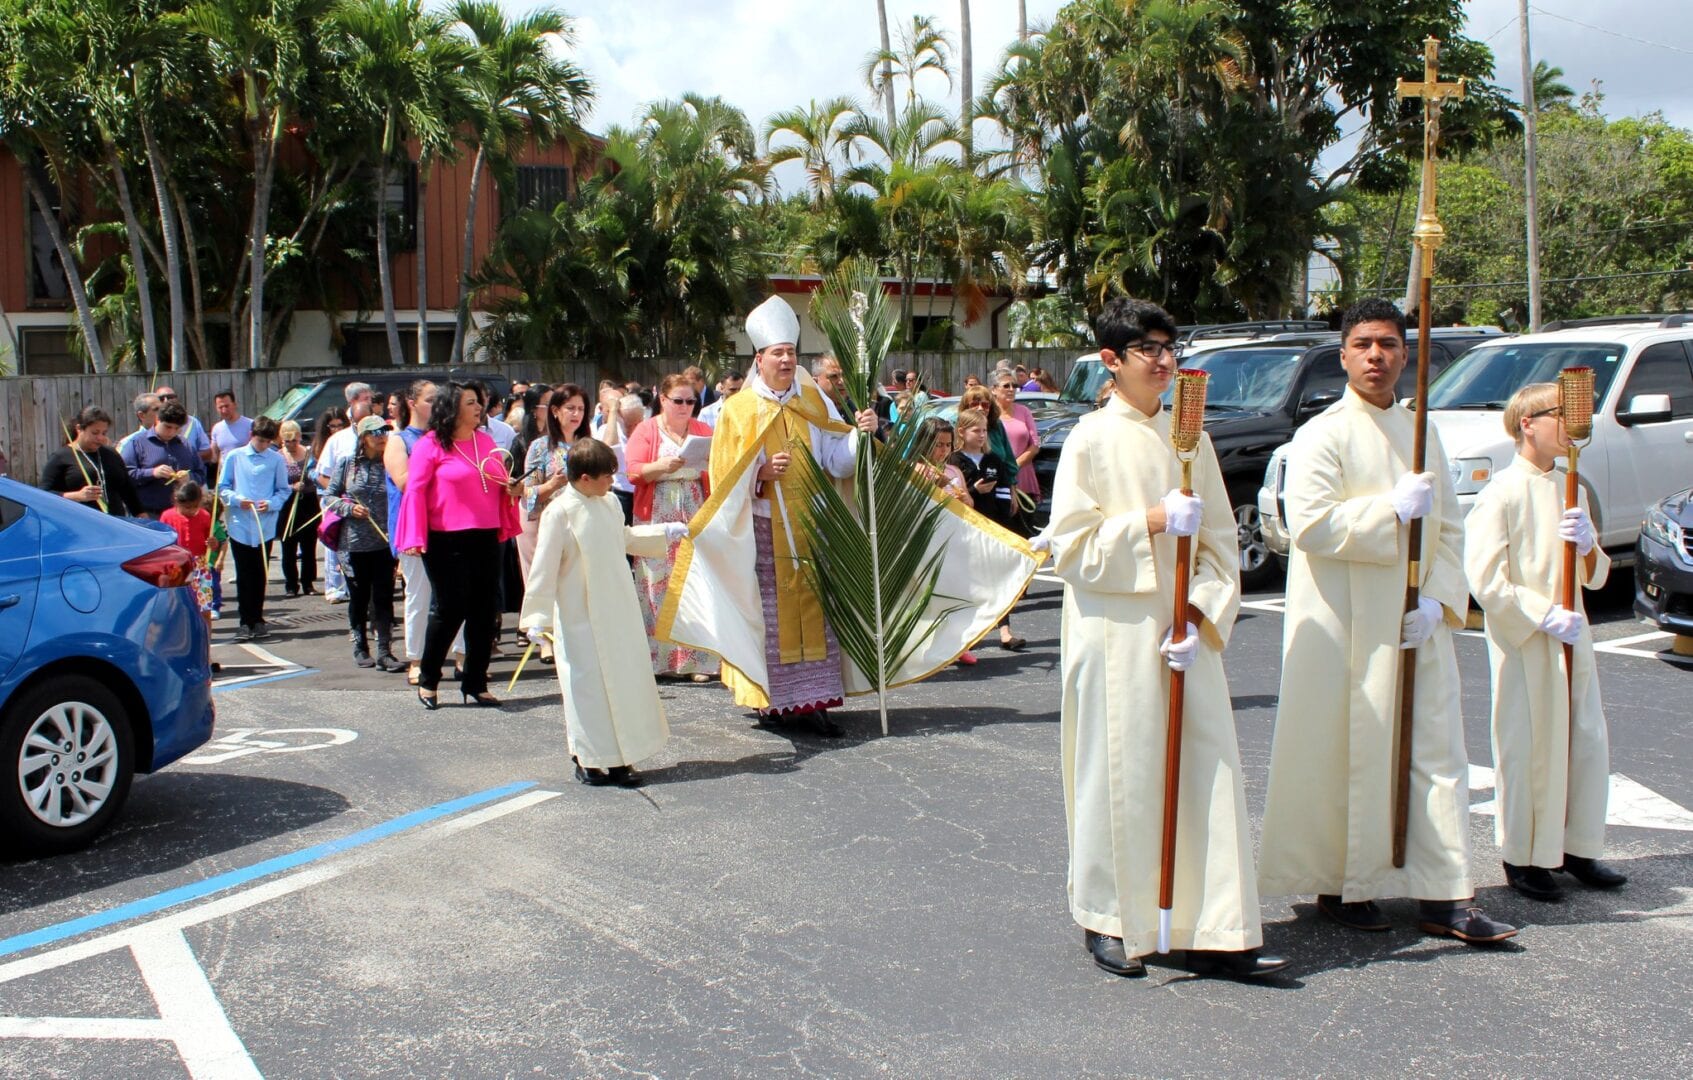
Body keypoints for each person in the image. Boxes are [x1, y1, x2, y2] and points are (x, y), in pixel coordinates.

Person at [1257, 297, 1517, 945]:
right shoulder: (1320, 435)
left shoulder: (1421, 429)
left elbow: (1451, 526)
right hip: (1346, 627)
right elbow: (1310, 526)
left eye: (1389, 345)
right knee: (1346, 755)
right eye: (1363, 345)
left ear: (1406, 354)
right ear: (1342, 355)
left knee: (1433, 753)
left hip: (1413, 622)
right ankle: (1342, 882)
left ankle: (1443, 895)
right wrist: (1387, 510)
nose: (1376, 356)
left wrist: (1437, 598)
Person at [1049, 296, 1285, 980]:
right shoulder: (1090, 439)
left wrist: (1201, 614)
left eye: (1166, 348)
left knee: (1202, 770)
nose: (1160, 361)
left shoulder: (1192, 438)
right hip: (1115, 634)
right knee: (1117, 774)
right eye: (1145, 350)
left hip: (1181, 635)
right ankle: (1108, 916)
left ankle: (1211, 925)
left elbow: (1218, 545)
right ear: (1110, 361)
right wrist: (1148, 521)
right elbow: (1068, 548)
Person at [659, 295, 878, 735]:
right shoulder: (738, 410)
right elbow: (723, 477)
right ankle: (773, 702)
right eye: (777, 352)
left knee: (818, 611)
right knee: (771, 620)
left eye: (791, 352)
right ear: (759, 360)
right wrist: (758, 474)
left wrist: (861, 437)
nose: (785, 358)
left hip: (813, 525)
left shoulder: (815, 401)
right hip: (761, 529)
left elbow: (837, 460)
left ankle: (814, 702)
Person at [1464, 382, 1626, 902]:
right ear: (1527, 423)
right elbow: (1486, 579)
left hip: (1572, 634)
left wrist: (1586, 547)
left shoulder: (1569, 486)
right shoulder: (1502, 492)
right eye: (1559, 414)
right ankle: (1524, 856)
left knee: (1583, 738)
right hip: (1528, 640)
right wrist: (1540, 615)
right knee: (1529, 746)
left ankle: (1577, 845)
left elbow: (1596, 575)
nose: (1570, 424)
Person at [520, 438, 689, 787]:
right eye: (605, 476)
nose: (612, 482)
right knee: (588, 688)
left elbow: (622, 538)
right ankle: (589, 757)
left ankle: (620, 757)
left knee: (622, 682)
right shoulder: (560, 512)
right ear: (583, 478)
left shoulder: (610, 502)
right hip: (579, 613)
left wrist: (664, 533)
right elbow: (544, 566)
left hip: (617, 608)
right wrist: (537, 618)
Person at [395, 381, 522, 709]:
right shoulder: (431, 444)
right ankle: (428, 678)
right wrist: (413, 535)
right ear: (451, 408)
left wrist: (511, 489)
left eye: (478, 402)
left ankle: (475, 682)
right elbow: (416, 490)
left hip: (484, 534)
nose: (479, 407)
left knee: (484, 612)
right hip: (444, 537)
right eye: (470, 403)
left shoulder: (484, 440)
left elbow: (495, 483)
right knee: (449, 609)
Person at [627, 373, 718, 683]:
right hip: (657, 511)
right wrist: (659, 467)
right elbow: (633, 471)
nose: (684, 406)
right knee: (656, 583)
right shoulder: (646, 429)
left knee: (695, 582)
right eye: (677, 401)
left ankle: (696, 661)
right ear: (663, 400)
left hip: (694, 508)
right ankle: (659, 659)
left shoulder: (703, 429)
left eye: (690, 401)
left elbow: (718, 466)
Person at [383, 381, 462, 686]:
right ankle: (416, 659)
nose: (437, 405)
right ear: (412, 403)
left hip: (450, 525)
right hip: (415, 527)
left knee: (457, 594)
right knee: (419, 594)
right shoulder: (399, 440)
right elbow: (405, 481)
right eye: (430, 400)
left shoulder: (449, 438)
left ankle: (461, 656)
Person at [326, 416, 403, 672]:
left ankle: (385, 651)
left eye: (384, 431)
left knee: (383, 598)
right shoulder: (347, 464)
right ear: (363, 437)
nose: (382, 436)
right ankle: (360, 646)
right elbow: (329, 497)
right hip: (354, 543)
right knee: (358, 597)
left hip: (385, 542)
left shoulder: (391, 463)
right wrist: (348, 508)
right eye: (375, 432)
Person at [217, 416, 292, 643]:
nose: (263, 445)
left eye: (268, 442)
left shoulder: (275, 459)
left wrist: (270, 503)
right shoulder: (235, 456)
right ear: (251, 436)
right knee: (244, 573)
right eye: (260, 440)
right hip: (240, 524)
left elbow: (283, 490)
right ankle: (244, 621)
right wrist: (237, 499)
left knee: (260, 573)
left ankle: (257, 619)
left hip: (264, 525)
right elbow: (223, 487)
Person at [520, 384, 590, 582]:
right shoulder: (540, 447)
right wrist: (553, 485)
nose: (577, 413)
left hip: (584, 526)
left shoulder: (590, 446)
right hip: (551, 528)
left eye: (581, 409)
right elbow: (528, 494)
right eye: (570, 408)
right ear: (555, 411)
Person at [40, 407, 144, 517]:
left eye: (104, 433)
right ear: (79, 429)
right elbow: (43, 494)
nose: (100, 438)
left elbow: (128, 490)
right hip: (81, 521)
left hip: (115, 522)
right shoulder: (61, 457)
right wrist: (77, 496)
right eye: (95, 433)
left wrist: (141, 515)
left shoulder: (111, 454)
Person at [318, 402, 369, 604]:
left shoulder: (383, 438)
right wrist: (342, 497)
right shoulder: (338, 440)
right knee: (335, 547)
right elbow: (323, 475)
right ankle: (335, 588)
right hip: (342, 503)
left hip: (369, 507)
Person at [122, 400, 205, 518]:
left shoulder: (186, 446)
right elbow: (126, 476)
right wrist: (152, 473)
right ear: (157, 420)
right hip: (148, 512)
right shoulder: (137, 443)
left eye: (176, 428)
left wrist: (189, 478)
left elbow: (201, 474)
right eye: (168, 427)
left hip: (180, 515)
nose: (171, 432)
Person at [162, 481, 216, 630]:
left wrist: (212, 543)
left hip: (200, 566)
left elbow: (212, 544)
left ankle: (206, 645)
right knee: (177, 609)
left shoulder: (205, 516)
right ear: (176, 501)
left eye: (195, 507)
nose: (191, 511)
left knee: (204, 609)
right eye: (187, 507)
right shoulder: (167, 516)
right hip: (177, 567)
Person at [275, 420, 318, 597]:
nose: (291, 444)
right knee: (288, 546)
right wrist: (292, 486)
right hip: (288, 503)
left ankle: (308, 583)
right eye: (287, 441)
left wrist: (308, 480)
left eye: (294, 440)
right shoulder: (278, 456)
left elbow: (316, 474)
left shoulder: (309, 454)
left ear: (299, 437)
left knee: (309, 546)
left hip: (307, 502)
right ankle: (291, 584)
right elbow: (276, 482)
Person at [990, 373, 1043, 510]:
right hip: (998, 477)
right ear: (994, 389)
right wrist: (1006, 471)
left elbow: (1035, 445)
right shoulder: (989, 414)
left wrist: (1013, 466)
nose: (1011, 389)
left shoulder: (1024, 411)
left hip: (1024, 476)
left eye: (1014, 385)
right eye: (1006, 385)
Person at [151, 385, 214, 463]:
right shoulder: (151, 422)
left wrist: (186, 457)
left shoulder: (192, 422)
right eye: (161, 398)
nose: (166, 400)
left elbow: (207, 453)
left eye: (170, 397)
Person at [209, 389, 253, 462]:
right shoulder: (217, 429)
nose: (224, 410)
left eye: (227, 406)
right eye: (220, 407)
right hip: (225, 472)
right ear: (216, 408)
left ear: (234, 405)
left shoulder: (250, 425)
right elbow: (214, 458)